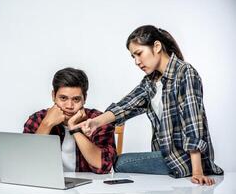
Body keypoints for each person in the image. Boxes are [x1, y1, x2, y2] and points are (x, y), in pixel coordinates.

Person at [75, 25, 223, 185]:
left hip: (186, 159)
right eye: (133, 57)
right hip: (167, 156)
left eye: (139, 54)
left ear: (157, 46)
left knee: (119, 163)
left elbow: (193, 122)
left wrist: (197, 172)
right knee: (121, 164)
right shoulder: (150, 82)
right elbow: (126, 106)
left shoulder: (185, 73)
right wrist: (95, 122)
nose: (137, 62)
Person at [23, 67, 116, 174]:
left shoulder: (97, 120)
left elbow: (103, 165)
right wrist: (46, 124)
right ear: (53, 96)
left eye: (76, 99)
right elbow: (27, 163)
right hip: (48, 186)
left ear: (84, 98)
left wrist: (74, 128)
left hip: (89, 186)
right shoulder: (38, 119)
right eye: (63, 98)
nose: (69, 106)